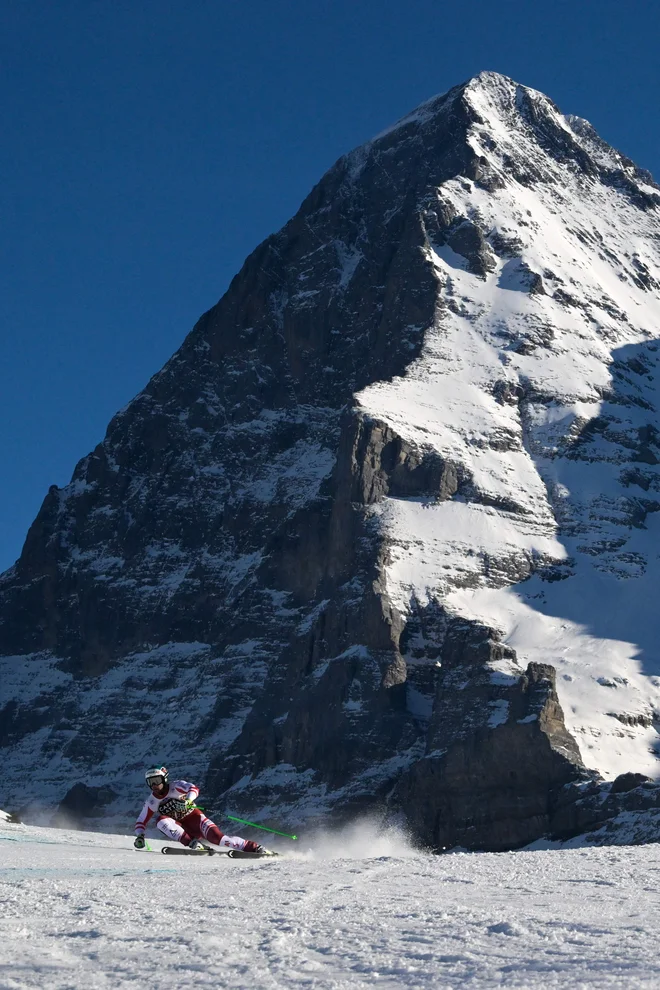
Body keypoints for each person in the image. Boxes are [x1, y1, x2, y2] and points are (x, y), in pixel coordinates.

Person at [133, 766, 272, 855]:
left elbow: (193, 788)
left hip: (196, 820)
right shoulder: (152, 801)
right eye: (150, 782)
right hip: (183, 829)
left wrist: (188, 800)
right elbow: (141, 821)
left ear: (164, 779)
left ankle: (255, 848)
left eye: (157, 780)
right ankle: (192, 843)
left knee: (220, 839)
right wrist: (140, 836)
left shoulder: (176, 786)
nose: (154, 785)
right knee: (161, 820)